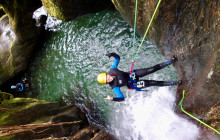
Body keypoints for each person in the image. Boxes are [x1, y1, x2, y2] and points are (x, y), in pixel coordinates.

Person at [97, 53, 181, 101]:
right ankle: (174, 83)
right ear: (107, 83)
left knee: (151, 69)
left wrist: (112, 54)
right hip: (133, 83)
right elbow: (122, 98)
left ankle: (169, 62)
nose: (108, 79)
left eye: (107, 77)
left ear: (107, 74)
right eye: (107, 80)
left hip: (131, 75)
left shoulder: (113, 70)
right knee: (152, 83)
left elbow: (117, 59)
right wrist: (113, 98)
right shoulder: (114, 87)